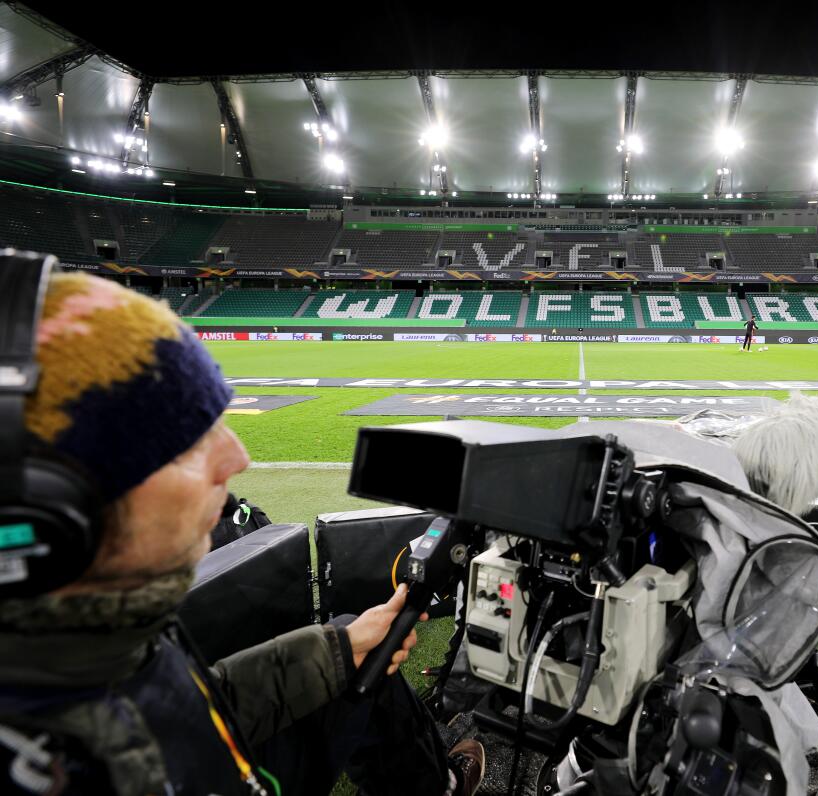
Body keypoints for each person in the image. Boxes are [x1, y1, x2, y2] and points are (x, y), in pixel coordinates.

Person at [0, 265, 485, 796]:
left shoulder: (90, 624)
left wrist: (335, 654)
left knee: (353, 647)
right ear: (46, 508)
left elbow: (184, 709)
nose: (238, 457)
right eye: (188, 442)